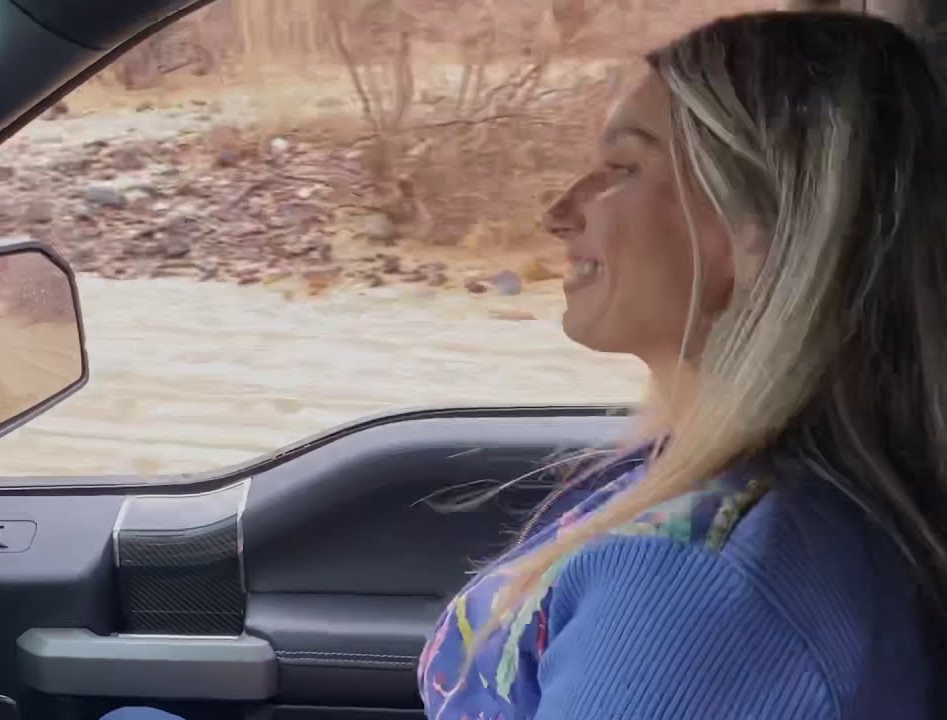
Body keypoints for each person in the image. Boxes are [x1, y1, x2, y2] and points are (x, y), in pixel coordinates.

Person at [105, 10, 946, 720]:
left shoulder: (704, 595)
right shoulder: (709, 499)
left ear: (759, 236)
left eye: (621, 169)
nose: (557, 213)